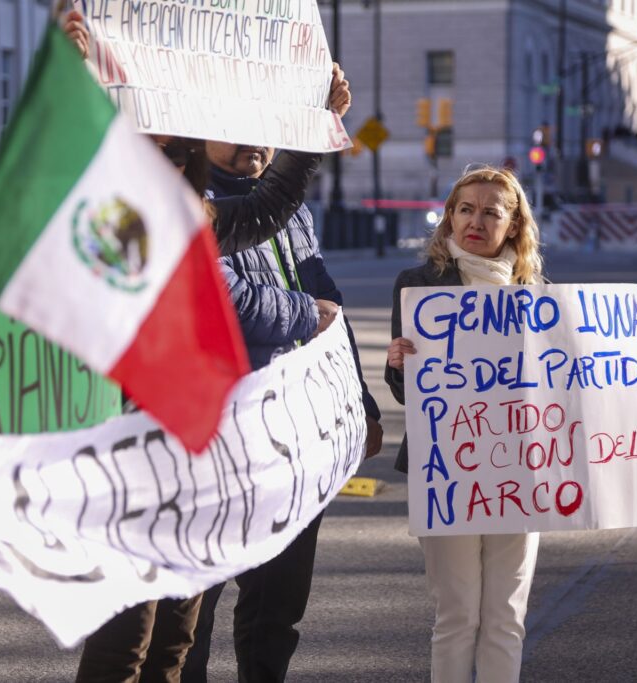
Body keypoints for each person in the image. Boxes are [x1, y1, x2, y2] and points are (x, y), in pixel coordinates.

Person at [384, 165, 637, 682]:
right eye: (465, 209)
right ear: (449, 215)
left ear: (514, 224)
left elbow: (580, 380)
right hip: (449, 474)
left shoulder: (541, 294)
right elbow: (411, 394)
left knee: (505, 617)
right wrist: (400, 362)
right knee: (456, 616)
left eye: (491, 212)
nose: (475, 221)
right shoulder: (419, 287)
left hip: (522, 474)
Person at [75, 134, 329, 683]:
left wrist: (312, 132)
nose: (170, 166)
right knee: (123, 644)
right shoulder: (101, 222)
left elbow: (269, 207)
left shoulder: (199, 222)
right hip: (127, 459)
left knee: (174, 639)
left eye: (180, 157)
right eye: (156, 153)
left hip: (197, 456)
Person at [182, 65, 384, 683]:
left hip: (296, 430)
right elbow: (230, 304)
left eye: (265, 129)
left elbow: (326, 294)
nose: (255, 143)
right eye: (236, 129)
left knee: (278, 604)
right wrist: (306, 315)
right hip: (217, 437)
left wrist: (362, 403)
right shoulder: (192, 203)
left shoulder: (287, 207)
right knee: (191, 611)